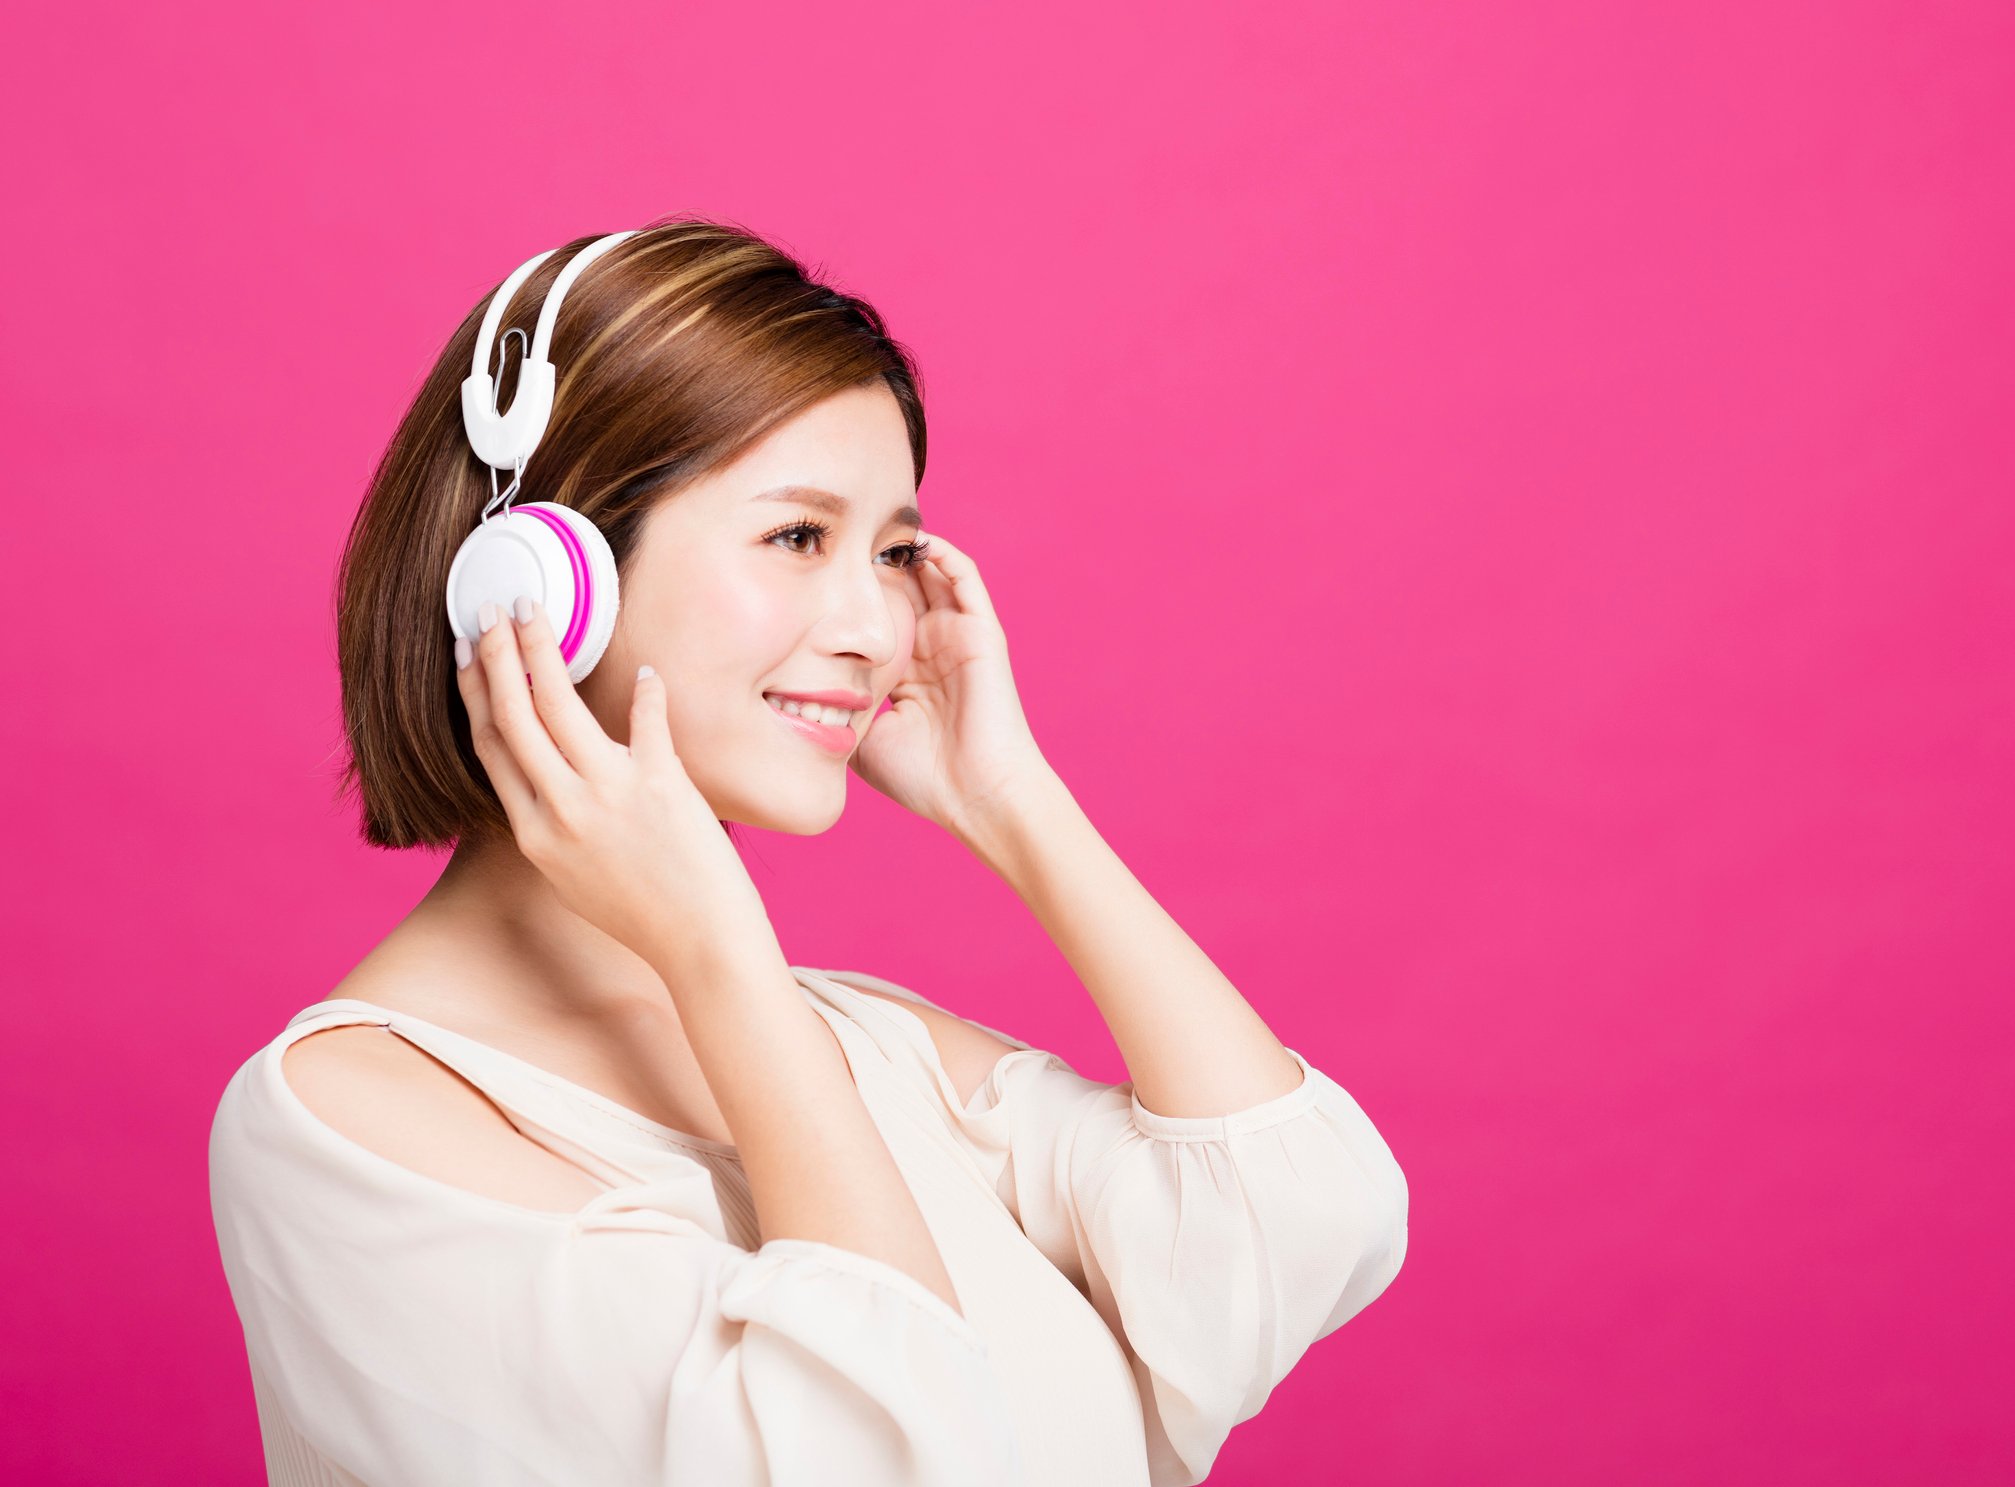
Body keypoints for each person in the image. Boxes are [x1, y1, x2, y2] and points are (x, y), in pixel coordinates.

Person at [207, 216, 1410, 1487]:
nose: (875, 628)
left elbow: (1287, 1228)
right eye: (796, 537)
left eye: (892, 554)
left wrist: (1010, 799)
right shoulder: (341, 1125)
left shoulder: (865, 1044)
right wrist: (716, 955)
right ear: (538, 581)